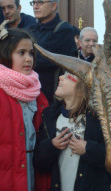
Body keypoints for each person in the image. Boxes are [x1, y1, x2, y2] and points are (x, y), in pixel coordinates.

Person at [34, 71, 111, 191]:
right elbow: (39, 164)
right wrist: (52, 146)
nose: (60, 77)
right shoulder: (49, 116)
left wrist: (88, 149)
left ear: (81, 91)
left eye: (68, 76)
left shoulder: (99, 120)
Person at [0, 21, 49, 191]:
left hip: (32, 173)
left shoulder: (37, 92)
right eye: (21, 53)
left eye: (31, 53)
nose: (28, 58)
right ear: (6, 55)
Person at [28, 0, 77, 104]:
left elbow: (44, 60)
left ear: (54, 5)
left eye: (40, 2)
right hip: (30, 93)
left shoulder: (64, 30)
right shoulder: (31, 29)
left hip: (51, 97)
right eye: (33, 2)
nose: (35, 6)